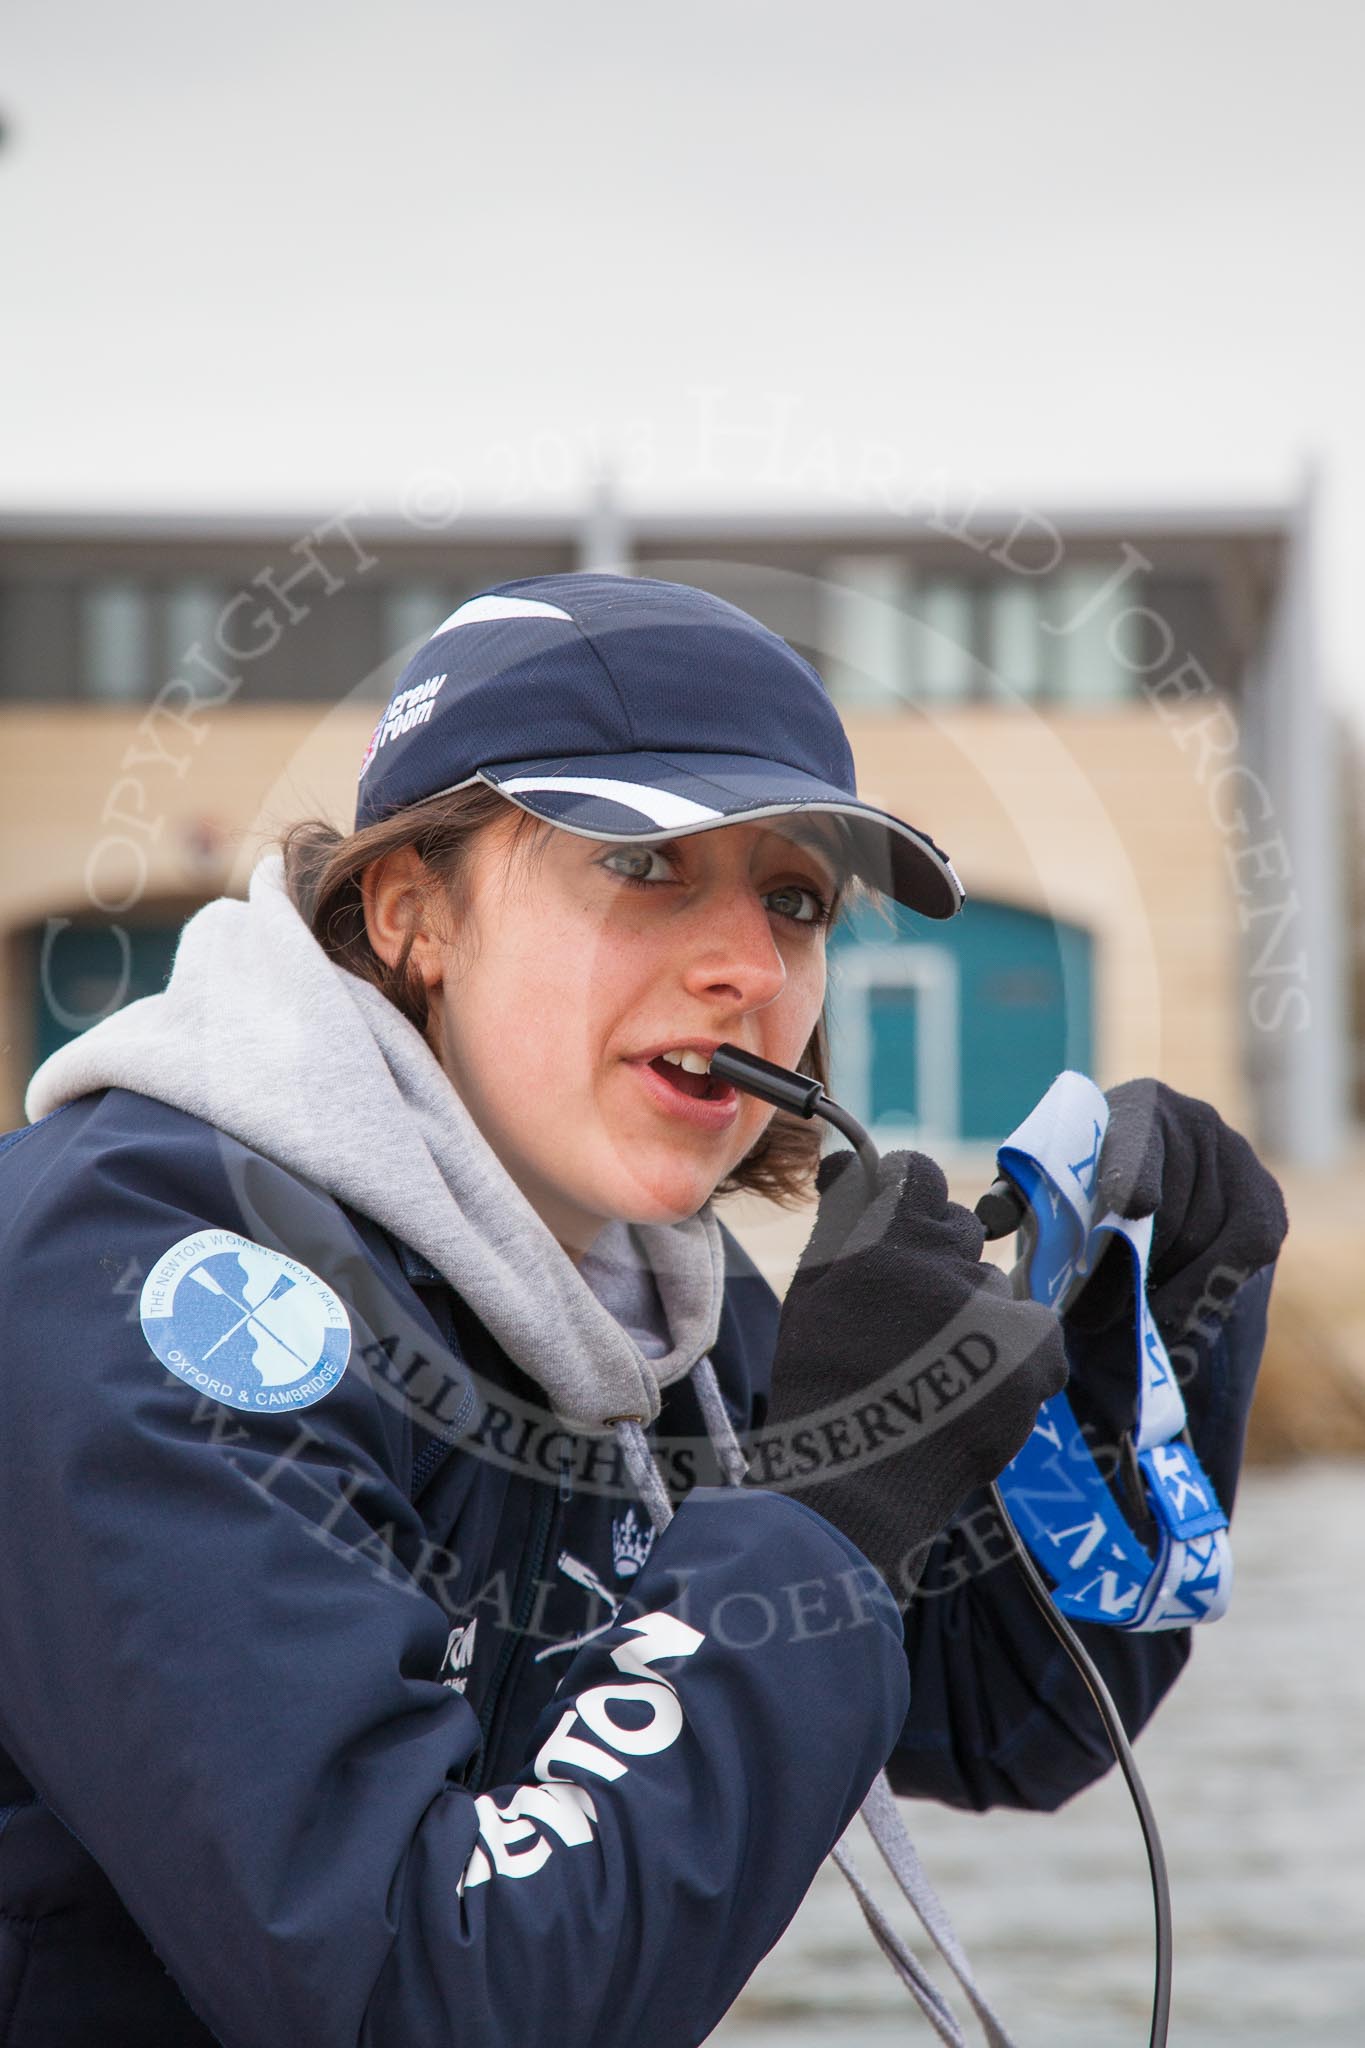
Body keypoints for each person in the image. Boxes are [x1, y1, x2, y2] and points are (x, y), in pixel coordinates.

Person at [0, 574, 1286, 2046]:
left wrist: (1162, 1320)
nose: (747, 965)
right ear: (411, 911)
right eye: (645, 865)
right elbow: (424, 1991)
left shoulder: (661, 1311)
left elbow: (1009, 1716)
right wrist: (822, 1506)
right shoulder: (139, 1280)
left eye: (793, 899)